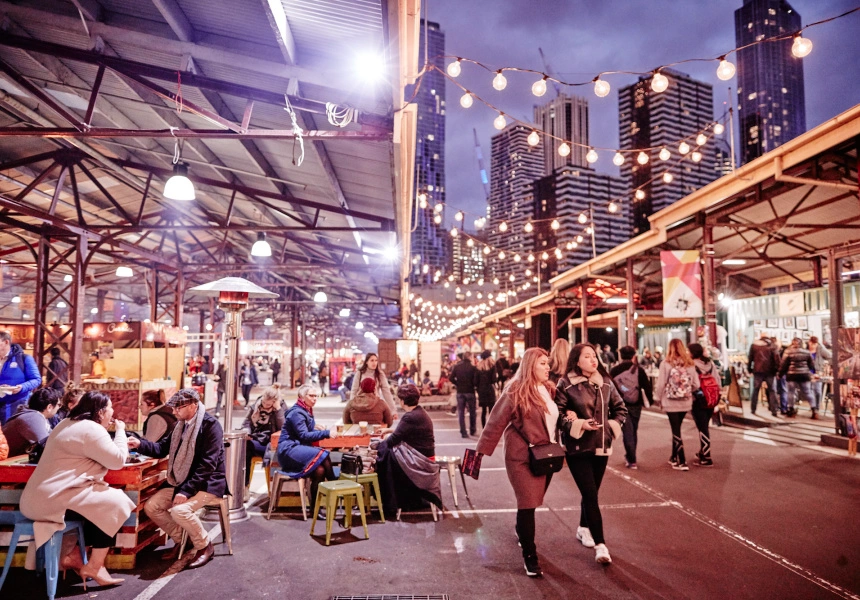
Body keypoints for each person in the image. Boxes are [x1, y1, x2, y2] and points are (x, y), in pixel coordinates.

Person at [20, 391, 135, 589]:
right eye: (110, 408)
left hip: (38, 499)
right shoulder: (92, 428)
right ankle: (95, 566)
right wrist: (121, 431)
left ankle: (73, 555)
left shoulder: (66, 423)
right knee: (117, 503)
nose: (113, 412)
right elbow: (117, 460)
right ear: (100, 412)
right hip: (54, 500)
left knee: (100, 505)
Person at [476, 348, 559, 577]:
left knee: (532, 501)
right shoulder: (515, 390)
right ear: (531, 365)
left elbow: (558, 418)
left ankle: (521, 530)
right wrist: (479, 453)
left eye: (548, 363)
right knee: (528, 503)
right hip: (521, 456)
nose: (548, 367)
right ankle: (530, 556)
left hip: (545, 455)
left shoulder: (549, 389)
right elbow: (496, 421)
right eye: (543, 363)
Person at [130, 389, 227, 569]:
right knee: (152, 506)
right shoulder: (180, 425)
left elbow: (208, 465)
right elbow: (161, 448)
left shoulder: (211, 425)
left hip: (207, 483)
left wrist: (185, 491)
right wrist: (140, 444)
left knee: (179, 511)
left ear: (193, 405)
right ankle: (183, 539)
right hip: (184, 481)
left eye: (178, 407)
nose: (174, 411)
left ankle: (204, 545)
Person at [556, 343, 627, 565]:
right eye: (587, 356)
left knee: (591, 492)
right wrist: (577, 424)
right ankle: (601, 545)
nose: (593, 359)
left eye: (594, 355)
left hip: (601, 446)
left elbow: (621, 409)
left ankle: (583, 527)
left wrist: (611, 427)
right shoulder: (566, 383)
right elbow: (558, 414)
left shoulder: (605, 382)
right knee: (590, 494)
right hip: (577, 447)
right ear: (576, 361)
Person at [375, 384, 441, 519]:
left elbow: (392, 441)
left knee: (385, 453)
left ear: (402, 401)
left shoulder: (409, 417)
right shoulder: (419, 413)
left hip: (420, 462)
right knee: (387, 453)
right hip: (424, 457)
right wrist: (389, 430)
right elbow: (404, 431)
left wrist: (378, 443)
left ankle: (390, 501)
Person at [276, 384, 338, 505]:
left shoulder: (305, 410)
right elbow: (304, 435)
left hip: (298, 449)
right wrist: (327, 433)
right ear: (302, 397)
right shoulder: (297, 413)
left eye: (316, 396)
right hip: (289, 451)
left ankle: (315, 509)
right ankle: (334, 485)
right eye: (311, 396)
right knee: (324, 454)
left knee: (320, 470)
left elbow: (304, 432)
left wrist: (318, 430)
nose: (315, 399)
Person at [654, 339, 700, 471]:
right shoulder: (689, 364)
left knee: (676, 431)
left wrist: (658, 398)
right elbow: (696, 384)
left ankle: (682, 461)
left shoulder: (665, 363)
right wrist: (686, 391)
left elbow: (661, 384)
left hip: (670, 402)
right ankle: (673, 457)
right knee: (677, 428)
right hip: (686, 402)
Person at [610, 346, 653, 469]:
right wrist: (649, 401)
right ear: (634, 355)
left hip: (620, 405)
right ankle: (631, 456)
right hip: (636, 404)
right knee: (633, 430)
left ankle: (631, 459)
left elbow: (610, 388)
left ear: (620, 355)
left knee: (627, 431)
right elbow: (647, 387)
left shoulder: (614, 370)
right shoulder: (639, 370)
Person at [242, 386, 285, 487]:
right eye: (264, 402)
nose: (265, 406)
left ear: (274, 402)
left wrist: (278, 409)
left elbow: (283, 427)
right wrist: (247, 432)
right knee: (244, 447)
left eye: (268, 404)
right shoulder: (256, 406)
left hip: (271, 444)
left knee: (274, 454)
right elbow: (246, 423)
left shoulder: (280, 408)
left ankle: (273, 487)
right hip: (256, 439)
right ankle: (245, 485)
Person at [0, 330, 42, 425]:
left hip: (17, 405)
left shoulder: (23, 358)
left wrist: (21, 387)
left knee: (12, 432)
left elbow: (36, 379)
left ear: (6, 342)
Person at [4, 387, 60, 457]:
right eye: (59, 405)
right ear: (49, 407)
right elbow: (48, 446)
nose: (59, 408)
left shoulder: (35, 416)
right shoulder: (32, 417)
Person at [688, 343, 718, 467]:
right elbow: (717, 380)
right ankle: (702, 452)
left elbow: (693, 384)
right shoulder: (710, 364)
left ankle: (706, 456)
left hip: (698, 400)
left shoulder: (691, 365)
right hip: (711, 398)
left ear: (692, 353)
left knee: (702, 427)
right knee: (704, 425)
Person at [778, 337, 815, 418]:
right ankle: (814, 410)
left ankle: (791, 410)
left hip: (792, 375)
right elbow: (812, 364)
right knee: (807, 392)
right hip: (804, 375)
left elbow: (783, 365)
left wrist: (780, 374)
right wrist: (808, 371)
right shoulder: (807, 352)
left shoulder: (788, 351)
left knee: (790, 392)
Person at [748, 332, 780, 416]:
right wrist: (777, 370)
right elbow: (776, 359)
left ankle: (753, 409)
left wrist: (749, 369)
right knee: (772, 390)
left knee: (756, 389)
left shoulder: (754, 345)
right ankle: (774, 410)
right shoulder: (772, 346)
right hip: (770, 371)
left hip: (758, 370)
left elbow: (750, 358)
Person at [450, 351, 478, 439]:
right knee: (472, 411)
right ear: (470, 357)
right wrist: (473, 385)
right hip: (470, 391)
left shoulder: (457, 367)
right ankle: (472, 429)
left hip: (460, 391)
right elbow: (476, 381)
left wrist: (457, 383)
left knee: (461, 412)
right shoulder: (473, 368)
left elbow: (451, 378)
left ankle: (463, 432)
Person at [808, 336, 831, 420]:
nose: (813, 346)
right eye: (811, 344)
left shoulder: (821, 349)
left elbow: (830, 356)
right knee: (809, 391)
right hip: (808, 373)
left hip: (817, 373)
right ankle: (813, 408)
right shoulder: (806, 349)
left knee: (817, 391)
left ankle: (816, 409)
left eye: (814, 344)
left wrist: (825, 365)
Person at [476, 350, 497, 427]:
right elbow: (494, 380)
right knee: (491, 411)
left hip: (482, 391)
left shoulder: (478, 367)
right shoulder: (492, 366)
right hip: (490, 390)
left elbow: (475, 381)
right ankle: (491, 427)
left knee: (483, 411)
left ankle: (484, 427)